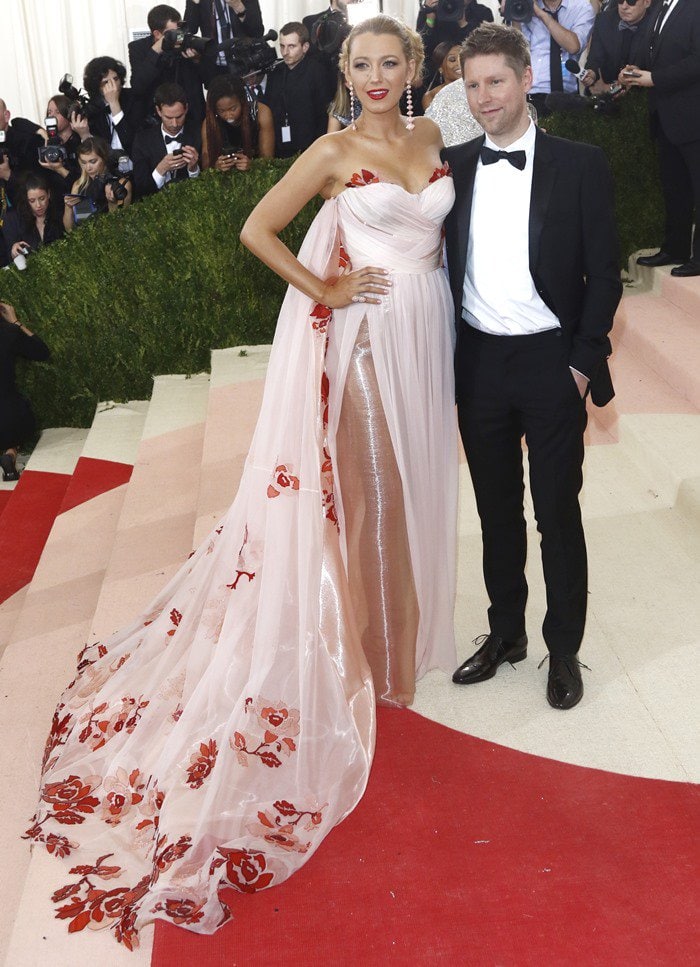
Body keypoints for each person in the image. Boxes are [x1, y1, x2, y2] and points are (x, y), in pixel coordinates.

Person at [26, 15, 458, 947]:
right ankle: (382, 661)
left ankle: (409, 628)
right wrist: (329, 288)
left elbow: (436, 231)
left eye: (393, 63)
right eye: (363, 64)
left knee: (420, 483)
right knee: (375, 493)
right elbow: (256, 228)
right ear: (343, 71)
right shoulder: (336, 148)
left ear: (414, 67)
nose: (378, 76)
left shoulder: (429, 136)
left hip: (432, 332)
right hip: (371, 341)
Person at [443, 23, 622, 709]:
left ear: (524, 79)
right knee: (495, 513)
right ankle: (506, 634)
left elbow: (604, 275)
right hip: (480, 360)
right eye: (473, 85)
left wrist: (581, 366)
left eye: (496, 81)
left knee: (556, 514)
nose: (485, 97)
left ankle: (564, 647)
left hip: (552, 362)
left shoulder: (579, 163)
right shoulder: (454, 166)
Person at [620, 0, 700, 278]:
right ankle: (675, 248)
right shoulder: (659, 9)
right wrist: (633, 70)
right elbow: (654, 52)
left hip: (693, 116)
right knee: (674, 188)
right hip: (665, 117)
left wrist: (655, 78)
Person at [260, 23, 336, 158]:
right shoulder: (276, 71)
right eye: (282, 46)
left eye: (291, 46)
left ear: (305, 47)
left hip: (310, 149)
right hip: (280, 148)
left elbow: (324, 115)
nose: (285, 52)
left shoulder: (317, 72)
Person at [129, 4, 206, 127]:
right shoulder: (138, 48)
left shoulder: (187, 42)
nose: (179, 36)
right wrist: (155, 51)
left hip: (191, 117)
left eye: (180, 30)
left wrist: (197, 60)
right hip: (155, 120)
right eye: (173, 33)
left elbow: (206, 80)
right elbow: (138, 86)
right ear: (157, 34)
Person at [516, 0, 595, 116]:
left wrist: (542, 14)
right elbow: (518, 51)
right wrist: (514, 13)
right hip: (533, 92)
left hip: (567, 96)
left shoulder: (581, 6)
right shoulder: (528, 5)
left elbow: (574, 46)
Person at [0, 301, 50, 481]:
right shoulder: (8, 333)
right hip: (9, 421)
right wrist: (15, 322)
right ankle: (11, 452)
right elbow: (42, 352)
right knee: (16, 419)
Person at [131, 83, 202, 196]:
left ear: (186, 109)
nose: (174, 124)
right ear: (158, 111)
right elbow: (141, 189)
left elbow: (208, 185)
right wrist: (161, 169)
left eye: (179, 117)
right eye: (168, 117)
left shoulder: (199, 133)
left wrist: (193, 169)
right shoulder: (142, 140)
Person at [581, 0, 656, 94]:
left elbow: (654, 72)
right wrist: (591, 74)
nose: (624, 6)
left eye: (631, 2)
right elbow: (595, 59)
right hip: (603, 92)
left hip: (641, 96)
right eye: (620, 1)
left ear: (647, 3)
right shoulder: (604, 20)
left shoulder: (656, 26)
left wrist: (613, 88)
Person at [201, 73, 274, 169]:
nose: (228, 115)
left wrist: (253, 165)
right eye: (221, 111)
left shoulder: (261, 113)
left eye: (233, 108)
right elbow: (205, 164)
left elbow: (268, 159)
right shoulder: (210, 122)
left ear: (242, 101)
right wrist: (216, 166)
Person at [184, 0, 265, 83]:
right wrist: (194, 4)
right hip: (214, 67)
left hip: (243, 64)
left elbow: (257, 32)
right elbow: (188, 31)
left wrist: (238, 6)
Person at [63, 137, 132, 232]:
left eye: (93, 162)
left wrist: (112, 204)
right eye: (83, 162)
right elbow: (69, 230)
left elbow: (120, 226)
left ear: (104, 159)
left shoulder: (121, 184)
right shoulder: (78, 185)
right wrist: (68, 207)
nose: (88, 167)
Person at [82, 56, 141, 157]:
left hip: (135, 160)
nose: (113, 85)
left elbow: (131, 142)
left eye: (116, 79)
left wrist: (114, 104)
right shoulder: (92, 109)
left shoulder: (134, 99)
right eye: (106, 82)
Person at [3, 173, 65, 262]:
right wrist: (14, 251)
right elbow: (10, 257)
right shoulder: (15, 220)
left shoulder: (58, 214)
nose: (38, 205)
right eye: (32, 201)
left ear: (49, 194)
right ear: (26, 200)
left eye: (42, 198)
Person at [417, 0, 494, 61]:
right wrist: (430, 19)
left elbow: (483, 50)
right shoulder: (433, 9)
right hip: (436, 69)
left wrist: (463, 23)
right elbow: (422, 49)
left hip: (469, 65)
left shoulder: (484, 13)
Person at [422, 42, 463, 110]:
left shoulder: (478, 88)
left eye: (462, 58)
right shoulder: (431, 96)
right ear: (440, 68)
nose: (459, 63)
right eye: (452, 59)